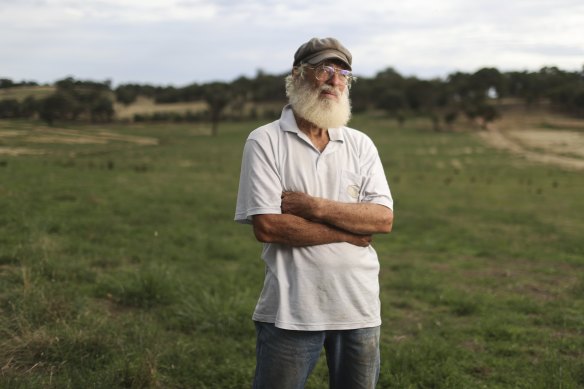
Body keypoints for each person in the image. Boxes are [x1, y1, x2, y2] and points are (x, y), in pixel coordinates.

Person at [234, 37, 394, 389]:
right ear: (298, 74)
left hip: (359, 308)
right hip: (291, 312)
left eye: (342, 74)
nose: (334, 81)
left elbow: (382, 219)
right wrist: (348, 232)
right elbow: (269, 226)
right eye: (324, 69)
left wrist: (313, 206)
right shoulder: (265, 141)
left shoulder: (360, 144)